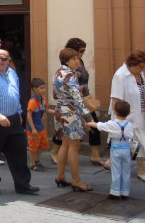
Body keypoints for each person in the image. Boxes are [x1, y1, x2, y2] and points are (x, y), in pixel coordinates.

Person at [0, 49, 39, 196]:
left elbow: (16, 94)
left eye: (3, 59)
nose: (0, 61)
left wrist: (19, 112)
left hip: (13, 118)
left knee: (18, 152)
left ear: (8, 60)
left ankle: (22, 185)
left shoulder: (12, 73)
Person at [53, 47, 93, 192]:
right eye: (74, 59)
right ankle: (76, 181)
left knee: (65, 144)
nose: (78, 61)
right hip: (70, 113)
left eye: (77, 58)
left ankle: (61, 176)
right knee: (74, 147)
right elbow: (76, 97)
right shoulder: (69, 74)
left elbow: (55, 94)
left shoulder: (58, 72)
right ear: (67, 61)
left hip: (60, 110)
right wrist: (88, 116)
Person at [65, 38, 107, 168]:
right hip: (76, 101)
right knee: (70, 131)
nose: (83, 53)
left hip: (85, 99)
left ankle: (95, 155)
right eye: (81, 51)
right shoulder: (68, 66)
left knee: (93, 125)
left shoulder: (80, 62)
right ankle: (58, 153)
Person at [109, 50, 145, 180]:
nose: (142, 70)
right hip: (128, 117)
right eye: (140, 67)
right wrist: (118, 121)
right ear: (132, 64)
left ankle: (112, 162)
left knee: (138, 144)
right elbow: (116, 99)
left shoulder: (140, 74)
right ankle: (141, 170)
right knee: (139, 144)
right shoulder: (120, 75)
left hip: (141, 114)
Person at [87, 100, 133, 199]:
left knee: (116, 170)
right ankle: (125, 192)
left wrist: (90, 123)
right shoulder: (130, 125)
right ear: (129, 113)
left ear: (115, 112)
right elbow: (131, 136)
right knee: (126, 171)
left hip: (116, 150)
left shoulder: (112, 124)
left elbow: (100, 126)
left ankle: (115, 192)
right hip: (126, 150)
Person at [26, 78, 54, 171]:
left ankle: (37, 160)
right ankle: (32, 164)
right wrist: (33, 129)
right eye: (41, 88)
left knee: (43, 145)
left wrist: (56, 112)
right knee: (33, 147)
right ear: (35, 89)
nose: (44, 90)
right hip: (33, 128)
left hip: (40, 127)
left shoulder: (43, 99)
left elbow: (47, 110)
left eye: (44, 88)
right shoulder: (33, 101)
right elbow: (29, 115)